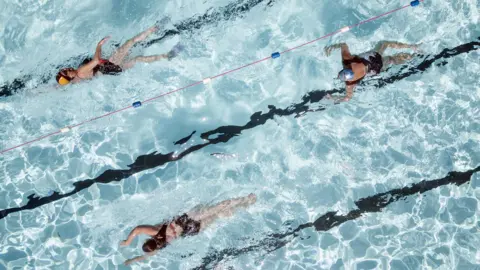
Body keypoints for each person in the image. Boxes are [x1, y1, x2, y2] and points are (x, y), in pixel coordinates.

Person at [120, 193, 257, 265]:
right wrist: (127, 241)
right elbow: (137, 229)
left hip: (192, 230)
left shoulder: (159, 248)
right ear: (147, 240)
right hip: (186, 221)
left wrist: (130, 261)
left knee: (219, 214)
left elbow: (143, 257)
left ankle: (245, 204)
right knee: (218, 208)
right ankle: (246, 199)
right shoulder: (155, 232)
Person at [55, 26, 182, 85]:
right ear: (70, 77)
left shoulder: (77, 79)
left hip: (113, 70)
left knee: (137, 59)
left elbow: (61, 85)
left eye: (63, 70)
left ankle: (167, 56)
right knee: (130, 42)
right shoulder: (80, 72)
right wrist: (99, 45)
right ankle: (154, 29)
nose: (65, 69)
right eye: (65, 72)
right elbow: (96, 60)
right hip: (111, 65)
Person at [324, 41, 421, 102]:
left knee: (391, 59)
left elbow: (347, 98)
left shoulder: (350, 83)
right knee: (384, 44)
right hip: (373, 57)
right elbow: (343, 44)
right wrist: (332, 47)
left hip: (376, 68)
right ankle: (412, 47)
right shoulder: (347, 60)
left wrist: (332, 97)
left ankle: (413, 56)